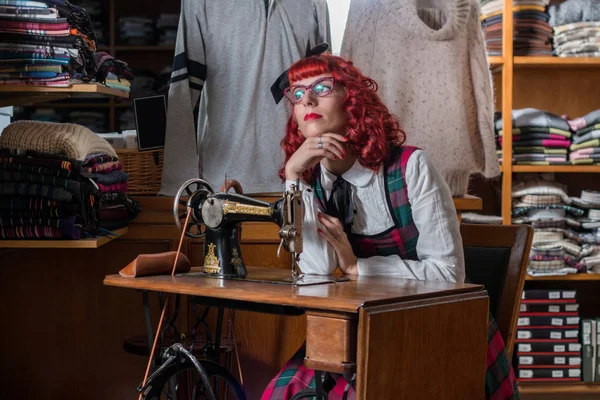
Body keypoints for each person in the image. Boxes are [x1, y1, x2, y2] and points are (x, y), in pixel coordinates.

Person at [261, 54, 519, 400]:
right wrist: (294, 179)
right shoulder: (312, 180)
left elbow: (449, 275)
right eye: (296, 93)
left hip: (435, 327)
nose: (306, 100)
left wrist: (357, 267)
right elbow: (318, 274)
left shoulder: (411, 167)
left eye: (321, 88)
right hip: (357, 329)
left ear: (351, 100)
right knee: (283, 393)